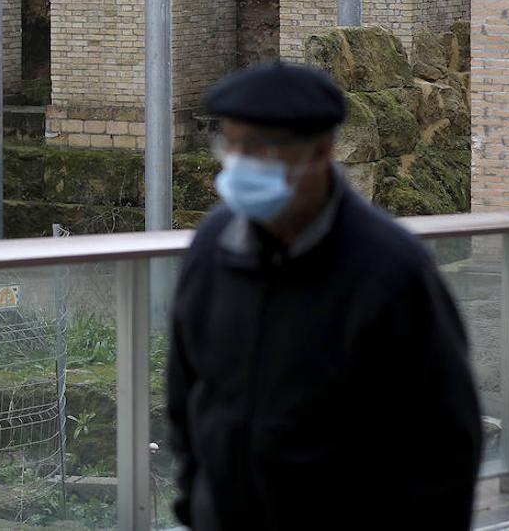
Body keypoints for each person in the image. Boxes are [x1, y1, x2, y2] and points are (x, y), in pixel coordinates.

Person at [166, 62, 482, 531]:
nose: (241, 163)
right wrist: (198, 503)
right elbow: (186, 393)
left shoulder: (390, 268)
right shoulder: (214, 248)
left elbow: (444, 437)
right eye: (232, 144)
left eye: (262, 148)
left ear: (322, 150)